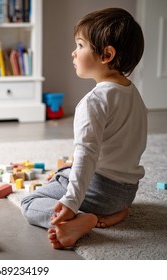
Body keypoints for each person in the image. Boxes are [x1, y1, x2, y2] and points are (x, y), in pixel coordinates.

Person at [21, 7, 147, 249]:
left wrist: (70, 202)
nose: (73, 53)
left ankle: (81, 220)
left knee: (30, 201)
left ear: (106, 55)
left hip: (99, 191)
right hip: (125, 192)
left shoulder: (93, 102)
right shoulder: (133, 94)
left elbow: (86, 156)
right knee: (66, 171)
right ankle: (113, 213)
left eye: (80, 45)